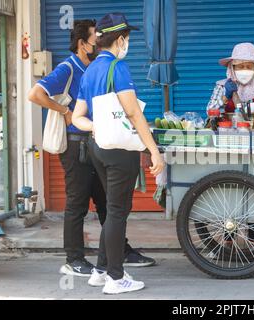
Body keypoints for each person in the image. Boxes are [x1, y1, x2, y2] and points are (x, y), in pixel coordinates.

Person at [28, 20, 153, 278]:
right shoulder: (68, 67)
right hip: (75, 146)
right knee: (77, 203)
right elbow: (35, 94)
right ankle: (73, 258)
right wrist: (66, 111)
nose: (99, 42)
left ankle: (117, 253)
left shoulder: (94, 67)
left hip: (96, 143)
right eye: (95, 38)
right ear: (83, 44)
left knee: (108, 202)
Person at [72, 13, 165, 294]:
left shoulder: (89, 71)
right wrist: (154, 151)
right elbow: (134, 114)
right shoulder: (118, 68)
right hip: (120, 151)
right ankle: (116, 278)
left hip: (96, 147)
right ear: (121, 39)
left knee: (113, 209)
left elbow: (77, 117)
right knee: (117, 212)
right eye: (128, 38)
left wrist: (98, 127)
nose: (128, 43)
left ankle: (100, 271)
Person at [207, 42, 254, 116]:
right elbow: (209, 111)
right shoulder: (222, 86)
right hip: (228, 128)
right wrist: (225, 97)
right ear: (232, 68)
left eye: (249, 67)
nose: (245, 70)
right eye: (240, 66)